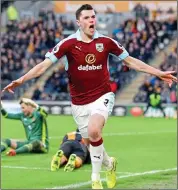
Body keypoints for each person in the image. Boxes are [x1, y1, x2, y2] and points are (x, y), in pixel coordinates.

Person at [2, 4, 177, 189]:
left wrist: (158, 73)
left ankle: (95, 179)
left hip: (103, 95)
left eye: (93, 16)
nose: (91, 20)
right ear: (78, 22)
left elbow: (131, 61)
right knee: (92, 138)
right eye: (86, 18)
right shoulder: (68, 44)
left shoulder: (107, 42)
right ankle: (109, 164)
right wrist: (21, 79)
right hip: (78, 103)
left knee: (94, 131)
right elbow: (44, 66)